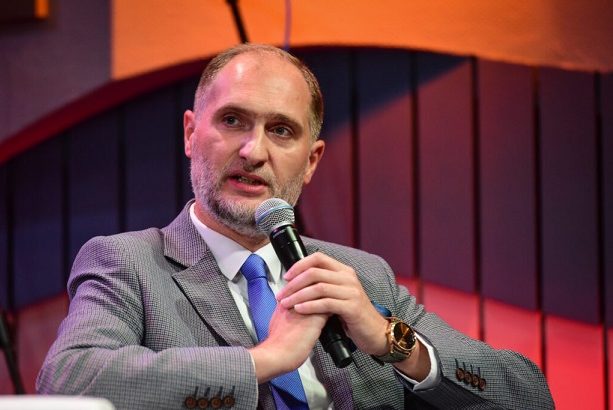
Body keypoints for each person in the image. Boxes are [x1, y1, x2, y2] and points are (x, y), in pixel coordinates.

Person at [36, 43, 554, 409]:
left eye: (281, 130)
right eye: (233, 120)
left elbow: (529, 395)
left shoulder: (362, 276)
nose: (253, 151)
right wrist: (264, 360)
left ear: (311, 161)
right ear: (191, 134)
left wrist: (390, 341)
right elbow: (67, 383)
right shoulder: (130, 263)